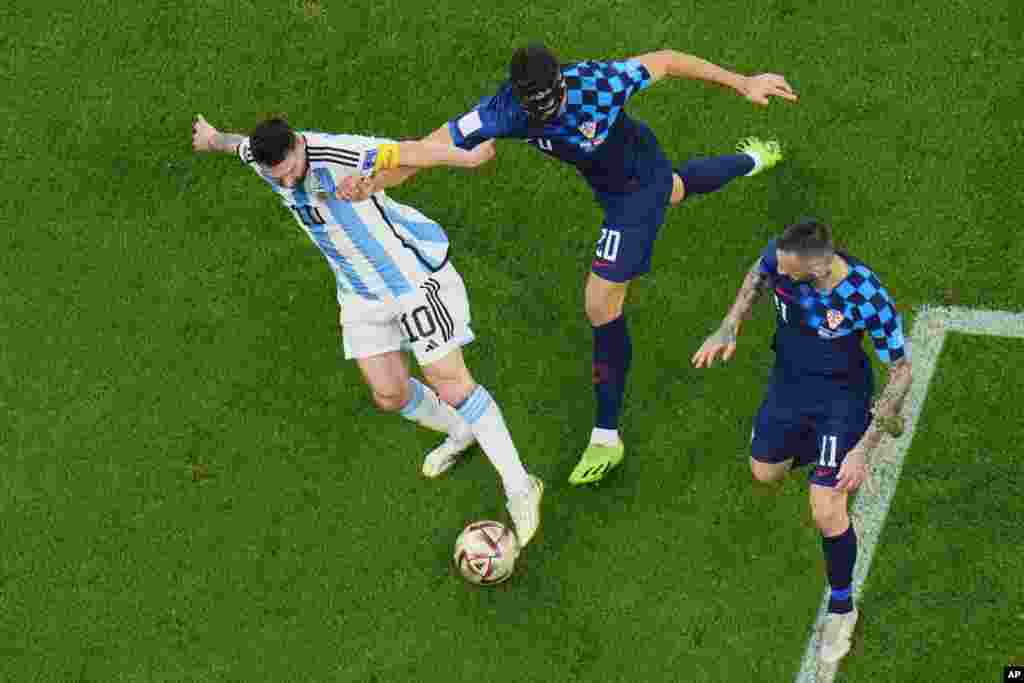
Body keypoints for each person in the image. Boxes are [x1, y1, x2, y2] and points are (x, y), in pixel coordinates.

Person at [339, 45, 797, 485]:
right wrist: (375, 182)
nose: (550, 115)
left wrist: (742, 82)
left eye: (553, 103)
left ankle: (606, 435)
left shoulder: (598, 83)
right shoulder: (502, 111)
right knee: (676, 190)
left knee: (601, 303)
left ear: (561, 84)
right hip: (609, 182)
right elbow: (429, 147)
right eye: (538, 111)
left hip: (637, 188)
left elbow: (667, 60)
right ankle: (755, 158)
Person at [190, 115, 543, 546]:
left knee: (451, 383)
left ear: (299, 147)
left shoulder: (337, 151)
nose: (284, 183)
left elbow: (410, 150)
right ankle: (460, 431)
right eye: (274, 177)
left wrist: (465, 158)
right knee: (389, 394)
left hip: (409, 280)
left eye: (288, 173)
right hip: (358, 294)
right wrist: (211, 139)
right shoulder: (265, 159)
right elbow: (237, 144)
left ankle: (521, 488)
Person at [692, 219, 912, 663]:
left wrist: (860, 448)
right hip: (789, 384)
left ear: (817, 270)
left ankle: (842, 607)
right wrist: (729, 325)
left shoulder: (864, 294)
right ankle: (823, 458)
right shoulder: (784, 256)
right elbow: (757, 274)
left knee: (826, 507)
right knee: (764, 471)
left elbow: (902, 371)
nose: (780, 274)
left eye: (788, 273)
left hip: (841, 398)